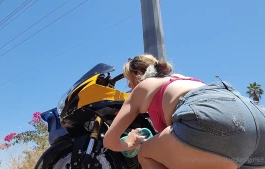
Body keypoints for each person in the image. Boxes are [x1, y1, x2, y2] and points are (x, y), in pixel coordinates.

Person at [103, 54, 265, 169]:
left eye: (129, 82)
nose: (130, 88)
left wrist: (131, 141)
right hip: (255, 117)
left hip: (212, 118)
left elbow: (109, 141)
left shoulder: (143, 87)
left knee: (146, 153)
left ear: (138, 74)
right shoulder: (183, 79)